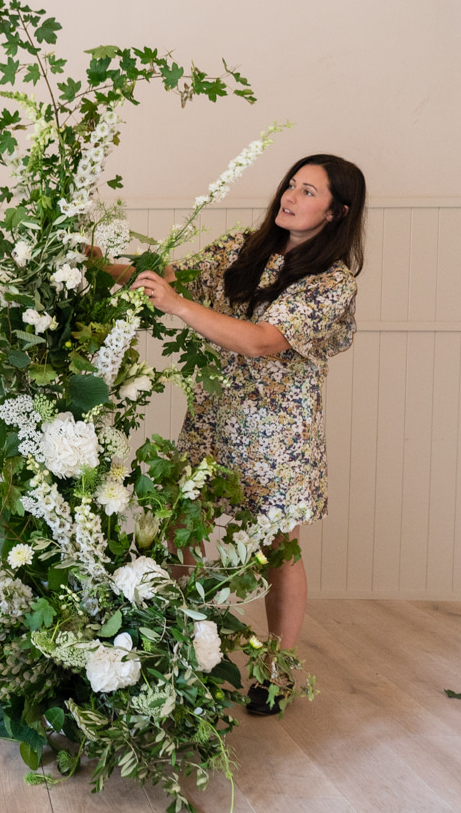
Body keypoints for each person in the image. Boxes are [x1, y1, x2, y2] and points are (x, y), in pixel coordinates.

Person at [120, 153, 365, 715]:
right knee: (180, 527)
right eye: (291, 184)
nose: (291, 196)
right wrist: (100, 269)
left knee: (279, 548)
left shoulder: (332, 283)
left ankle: (274, 675)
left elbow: (261, 340)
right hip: (213, 418)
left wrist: (178, 307)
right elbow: (172, 279)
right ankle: (173, 653)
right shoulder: (241, 247)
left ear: (336, 212)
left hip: (279, 433)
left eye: (309, 192)